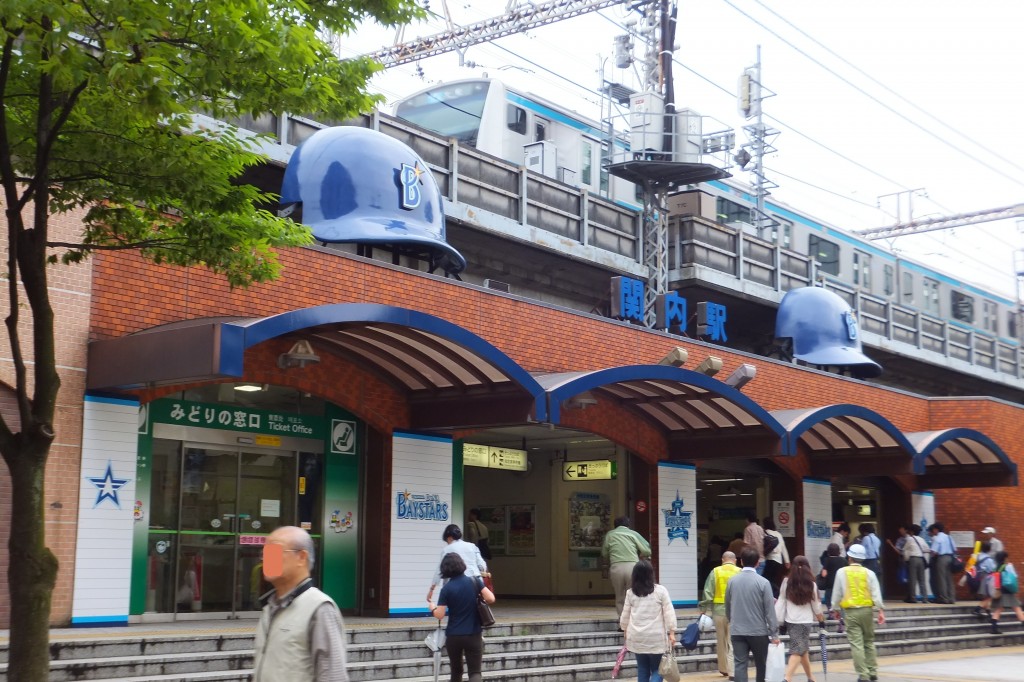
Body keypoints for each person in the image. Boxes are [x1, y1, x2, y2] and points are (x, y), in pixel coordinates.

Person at [253, 526, 348, 682]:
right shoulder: (270, 607)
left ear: (301, 557)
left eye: (274, 552)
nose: (265, 560)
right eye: (264, 554)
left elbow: (333, 676)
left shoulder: (319, 608)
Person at [430, 553, 496, 682]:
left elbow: (440, 614)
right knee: (475, 672)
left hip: (453, 636)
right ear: (462, 565)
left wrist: (432, 607)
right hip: (473, 633)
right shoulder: (474, 581)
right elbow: (491, 598)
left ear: (445, 569)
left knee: (456, 672)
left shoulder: (447, 589)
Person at [830, 544, 885, 682]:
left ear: (849, 557)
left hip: (851, 612)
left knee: (856, 644)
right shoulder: (869, 573)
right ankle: (872, 671)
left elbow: (837, 593)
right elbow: (876, 593)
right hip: (867, 611)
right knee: (869, 642)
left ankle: (863, 674)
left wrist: (835, 609)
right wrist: (880, 610)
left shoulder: (842, 572)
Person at [725, 546, 781, 682]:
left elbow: (727, 605)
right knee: (761, 665)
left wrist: (732, 620)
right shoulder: (763, 583)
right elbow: (769, 610)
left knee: (739, 664)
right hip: (758, 632)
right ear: (757, 563)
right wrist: (774, 633)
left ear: (741, 562)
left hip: (737, 630)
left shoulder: (732, 581)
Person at [620, 559, 678, 682]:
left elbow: (625, 614)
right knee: (657, 669)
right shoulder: (660, 591)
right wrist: (672, 632)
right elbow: (669, 613)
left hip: (637, 637)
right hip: (656, 638)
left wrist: (625, 629)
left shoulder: (630, 593)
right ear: (651, 574)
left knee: (642, 669)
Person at [775, 556, 825, 682]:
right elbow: (816, 605)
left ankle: (810, 677)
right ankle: (787, 678)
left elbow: (781, 601)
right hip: (805, 621)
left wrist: (778, 620)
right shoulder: (812, 584)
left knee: (802, 648)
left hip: (791, 620)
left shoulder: (787, 582)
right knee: (798, 649)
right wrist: (821, 619)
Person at [700, 550, 742, 679]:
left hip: (718, 611)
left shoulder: (716, 571)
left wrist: (704, 609)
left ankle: (723, 668)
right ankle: (732, 671)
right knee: (732, 641)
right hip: (735, 611)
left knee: (721, 640)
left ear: (723, 560)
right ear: (735, 560)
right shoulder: (740, 572)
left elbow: (708, 591)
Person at [601, 515, 652, 619]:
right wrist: (641, 555)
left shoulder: (610, 535)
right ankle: (634, 620)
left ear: (615, 525)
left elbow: (604, 553)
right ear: (628, 525)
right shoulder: (633, 534)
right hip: (633, 568)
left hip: (616, 567)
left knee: (620, 596)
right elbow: (647, 550)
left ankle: (622, 622)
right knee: (634, 594)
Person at [427, 524, 489, 606]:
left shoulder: (447, 549)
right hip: (475, 583)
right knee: (475, 607)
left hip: (457, 586)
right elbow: (482, 565)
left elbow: (439, 571)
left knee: (458, 609)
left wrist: (432, 589)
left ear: (449, 537)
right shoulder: (472, 546)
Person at [989, 550, 1024, 633]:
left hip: (999, 590)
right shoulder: (1008, 566)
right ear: (1005, 558)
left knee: (998, 609)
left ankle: (994, 628)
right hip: (1008, 590)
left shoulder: (996, 567)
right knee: (1017, 607)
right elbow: (1014, 576)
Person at [928, 522, 957, 604]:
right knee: (949, 579)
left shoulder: (938, 538)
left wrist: (931, 555)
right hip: (950, 557)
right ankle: (952, 598)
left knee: (941, 579)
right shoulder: (949, 537)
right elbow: (955, 549)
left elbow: (934, 552)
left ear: (936, 529)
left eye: (933, 530)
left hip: (942, 558)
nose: (933, 531)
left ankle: (944, 598)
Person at [762, 517, 790, 598]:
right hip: (778, 561)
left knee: (767, 579)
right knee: (773, 579)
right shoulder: (778, 534)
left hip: (769, 560)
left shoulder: (764, 533)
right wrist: (787, 561)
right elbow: (783, 548)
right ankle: (774, 596)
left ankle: (776, 593)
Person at [901, 524, 929, 604]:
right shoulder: (921, 539)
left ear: (912, 531)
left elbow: (904, 550)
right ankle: (925, 598)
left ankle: (913, 598)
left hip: (913, 559)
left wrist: (906, 559)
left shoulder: (910, 539)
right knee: (922, 580)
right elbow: (927, 549)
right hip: (921, 559)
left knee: (912, 579)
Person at [972, 541, 997, 620]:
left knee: (986, 596)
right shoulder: (988, 559)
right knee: (990, 596)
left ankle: (988, 613)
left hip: (979, 576)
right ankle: (977, 609)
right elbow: (993, 569)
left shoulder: (977, 556)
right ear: (989, 549)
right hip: (987, 578)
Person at [819, 543, 847, 608]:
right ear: (839, 551)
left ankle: (831, 614)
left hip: (830, 585)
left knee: (829, 600)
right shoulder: (843, 560)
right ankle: (840, 614)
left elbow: (824, 574)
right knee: (841, 600)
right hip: (841, 584)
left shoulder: (827, 560)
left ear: (828, 552)